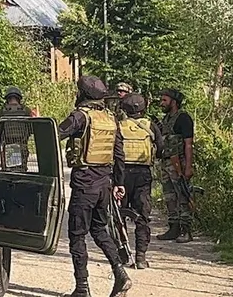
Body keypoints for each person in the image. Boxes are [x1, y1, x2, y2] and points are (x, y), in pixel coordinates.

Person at [58, 75, 132, 297]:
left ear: (82, 94)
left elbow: (55, 134)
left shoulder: (80, 117)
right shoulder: (110, 119)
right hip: (104, 185)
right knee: (100, 230)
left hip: (84, 184)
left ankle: (82, 288)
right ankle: (121, 274)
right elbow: (119, 153)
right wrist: (119, 183)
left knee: (77, 234)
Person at [117, 93, 162, 269]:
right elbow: (161, 149)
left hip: (122, 173)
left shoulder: (119, 125)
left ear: (124, 109)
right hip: (143, 174)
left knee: (119, 215)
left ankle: (123, 254)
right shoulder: (150, 125)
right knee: (142, 216)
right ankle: (141, 257)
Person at [155, 88, 195, 243]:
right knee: (169, 196)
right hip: (166, 162)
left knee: (183, 196)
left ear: (174, 102)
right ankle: (174, 227)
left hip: (179, 162)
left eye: (165, 100)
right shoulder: (166, 120)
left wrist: (188, 167)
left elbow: (188, 144)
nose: (161, 103)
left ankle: (186, 230)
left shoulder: (183, 118)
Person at [0, 87, 34, 170]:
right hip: (22, 146)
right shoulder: (26, 111)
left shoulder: (2, 112)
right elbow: (31, 128)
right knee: (22, 171)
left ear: (7, 99)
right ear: (19, 98)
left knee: (7, 172)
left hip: (7, 146)